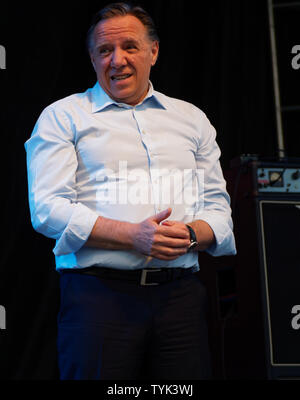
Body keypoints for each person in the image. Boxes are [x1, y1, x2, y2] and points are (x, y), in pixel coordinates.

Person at [25, 2, 236, 380]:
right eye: (105, 51)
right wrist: (132, 236)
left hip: (181, 299)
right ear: (92, 58)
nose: (116, 60)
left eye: (129, 47)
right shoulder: (63, 116)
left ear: (153, 51)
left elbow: (219, 210)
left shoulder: (191, 118)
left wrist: (189, 235)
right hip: (98, 298)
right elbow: (47, 209)